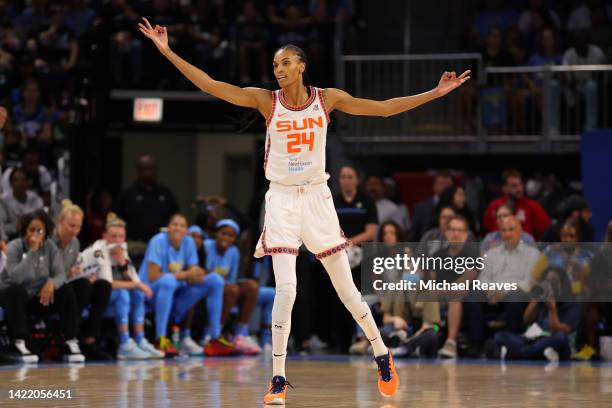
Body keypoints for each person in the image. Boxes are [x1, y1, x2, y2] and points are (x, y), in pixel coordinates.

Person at [139, 17, 469, 403]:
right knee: (287, 289)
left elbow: (383, 109)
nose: (278, 70)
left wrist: (435, 93)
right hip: (280, 199)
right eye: (275, 65)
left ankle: (382, 353)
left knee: (347, 291)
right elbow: (212, 85)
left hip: (317, 198)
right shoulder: (267, 101)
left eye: (285, 63)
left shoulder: (327, 99)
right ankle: (277, 380)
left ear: (301, 65)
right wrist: (167, 51)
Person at [0, 210, 85, 363]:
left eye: (40, 230)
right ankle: (19, 342)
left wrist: (51, 283)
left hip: (38, 298)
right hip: (12, 298)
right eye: (31, 229)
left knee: (66, 290)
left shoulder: (50, 247)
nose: (36, 233)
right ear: (24, 230)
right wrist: (32, 251)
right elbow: (16, 278)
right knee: (16, 291)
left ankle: (70, 341)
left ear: (46, 231)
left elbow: (60, 275)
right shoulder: (15, 247)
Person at [138, 213, 227, 357]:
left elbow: (193, 270)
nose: (178, 228)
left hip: (176, 294)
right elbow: (153, 275)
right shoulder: (158, 241)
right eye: (175, 224)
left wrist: (195, 275)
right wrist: (186, 275)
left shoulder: (189, 242)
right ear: (168, 227)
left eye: (182, 225)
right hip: (150, 294)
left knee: (216, 280)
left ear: (187, 230)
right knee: (168, 280)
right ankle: (160, 338)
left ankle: (214, 337)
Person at [80, 213, 163, 360]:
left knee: (138, 294)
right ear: (105, 236)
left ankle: (139, 340)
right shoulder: (98, 251)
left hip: (113, 298)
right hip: (92, 299)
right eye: (113, 236)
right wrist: (137, 284)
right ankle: (124, 344)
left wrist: (123, 266)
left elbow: (132, 281)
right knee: (123, 293)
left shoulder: (121, 252)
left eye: (121, 236)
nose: (118, 241)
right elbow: (108, 283)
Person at [53, 200, 113, 361]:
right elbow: (48, 272)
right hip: (51, 287)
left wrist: (85, 272)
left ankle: (89, 339)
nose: (75, 231)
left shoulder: (75, 242)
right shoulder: (49, 241)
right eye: (71, 226)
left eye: (78, 227)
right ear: (60, 222)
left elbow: (75, 266)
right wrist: (69, 273)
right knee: (83, 286)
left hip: (68, 283)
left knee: (103, 286)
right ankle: (70, 337)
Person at [204, 219, 269, 355]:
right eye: (223, 233)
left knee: (251, 286)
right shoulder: (207, 246)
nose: (226, 238)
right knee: (232, 290)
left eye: (230, 236)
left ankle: (240, 335)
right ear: (216, 234)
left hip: (225, 288)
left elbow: (232, 279)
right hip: (207, 288)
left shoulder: (233, 252)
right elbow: (204, 272)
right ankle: (213, 334)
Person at [483, 169, 551, 239]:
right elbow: (485, 229)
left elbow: (547, 230)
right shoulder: (493, 206)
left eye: (520, 184)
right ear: (505, 188)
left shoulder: (533, 206)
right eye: (514, 186)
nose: (519, 189)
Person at [409, 172, 454, 242]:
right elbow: (414, 236)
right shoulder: (421, 208)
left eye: (447, 184)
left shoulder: (459, 207)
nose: (445, 187)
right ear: (434, 186)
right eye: (441, 184)